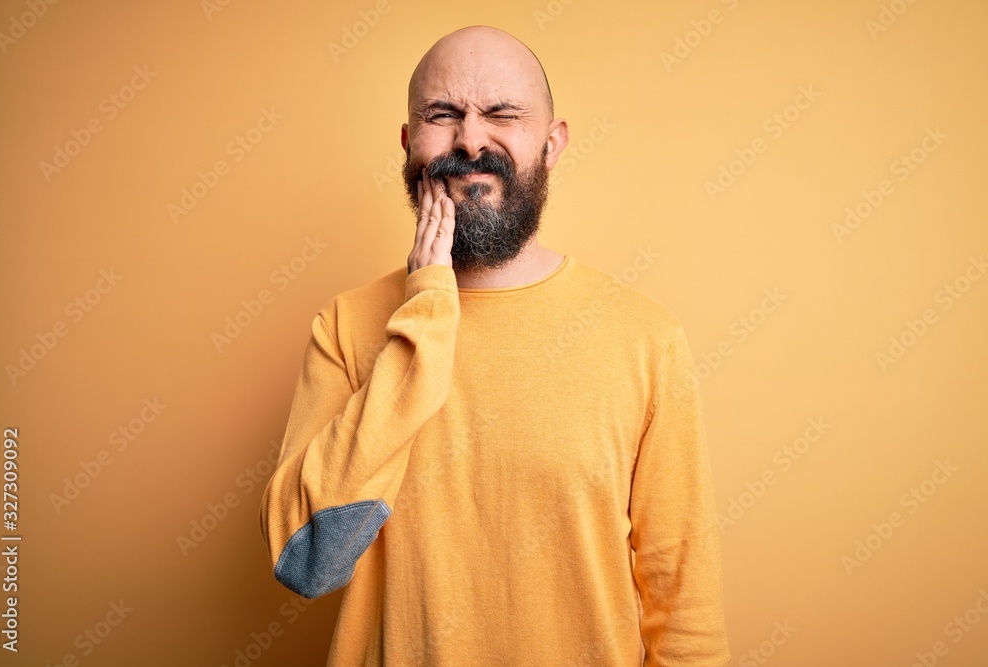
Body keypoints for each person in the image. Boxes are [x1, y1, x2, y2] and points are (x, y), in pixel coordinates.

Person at [259, 24, 731, 666]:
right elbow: (309, 561)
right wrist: (423, 318)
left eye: (502, 114)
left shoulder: (646, 339)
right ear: (408, 143)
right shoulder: (344, 326)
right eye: (441, 115)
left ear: (552, 142)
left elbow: (685, 609)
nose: (471, 139)